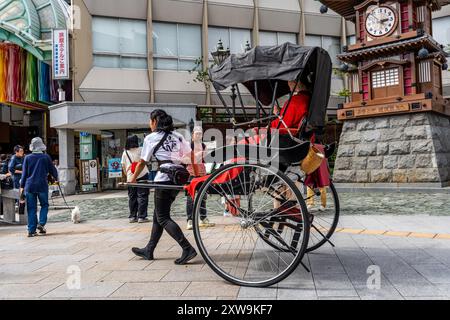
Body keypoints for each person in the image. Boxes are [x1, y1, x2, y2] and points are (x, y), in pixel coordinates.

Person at [130, 109, 197, 265]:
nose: (149, 124)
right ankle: (149, 250)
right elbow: (191, 155)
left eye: (150, 121)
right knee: (158, 215)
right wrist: (193, 173)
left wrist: (133, 179)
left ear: (154, 121)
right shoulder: (178, 136)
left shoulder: (151, 138)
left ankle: (187, 248)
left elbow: (143, 162)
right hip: (177, 178)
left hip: (163, 179)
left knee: (162, 217)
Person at [20, 138, 58, 237]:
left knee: (31, 208)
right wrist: (56, 178)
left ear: (32, 146)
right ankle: (41, 224)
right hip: (42, 185)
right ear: (42, 146)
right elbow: (53, 170)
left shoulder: (27, 158)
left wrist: (22, 186)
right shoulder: (46, 157)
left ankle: (31, 230)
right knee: (44, 205)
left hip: (30, 186)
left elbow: (24, 174)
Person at [185, 126, 214, 230]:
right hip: (191, 173)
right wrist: (198, 155)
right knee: (190, 198)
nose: (198, 135)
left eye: (200, 133)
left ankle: (203, 218)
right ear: (192, 134)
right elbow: (186, 159)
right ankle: (190, 220)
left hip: (202, 173)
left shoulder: (203, 145)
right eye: (196, 133)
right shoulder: (189, 145)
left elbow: (205, 158)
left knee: (203, 196)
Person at [121, 135, 150, 223]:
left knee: (132, 197)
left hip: (130, 177)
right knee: (143, 196)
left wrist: (128, 175)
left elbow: (123, 165)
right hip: (143, 175)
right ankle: (142, 217)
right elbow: (145, 161)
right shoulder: (141, 150)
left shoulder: (125, 152)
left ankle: (132, 216)